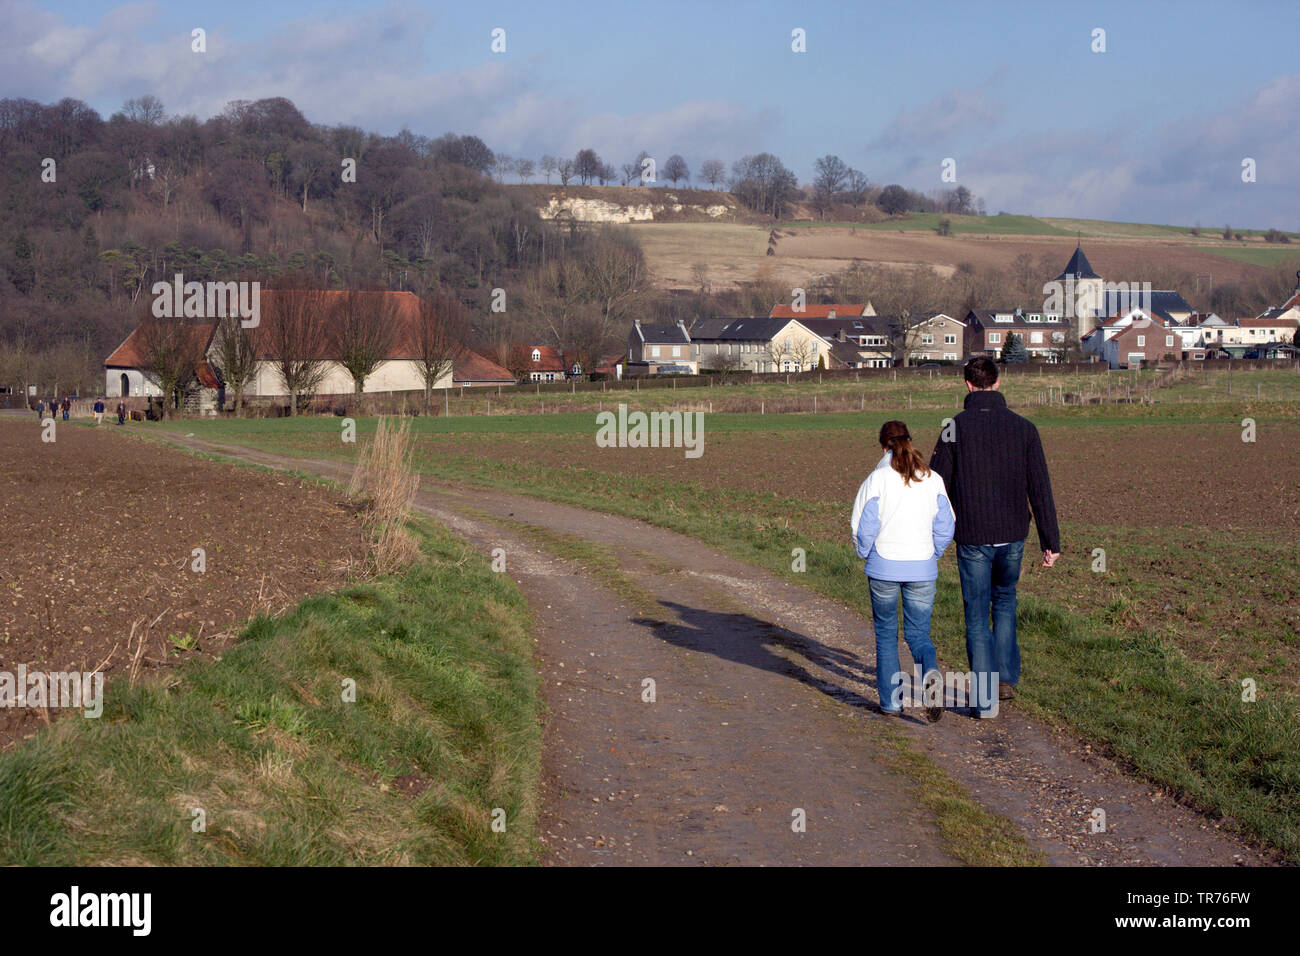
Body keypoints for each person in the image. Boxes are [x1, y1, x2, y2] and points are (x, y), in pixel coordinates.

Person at [929, 356, 1060, 718]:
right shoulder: (1025, 428)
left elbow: (935, 487)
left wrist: (931, 537)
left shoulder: (953, 428)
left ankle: (985, 701)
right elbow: (1041, 489)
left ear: (968, 385)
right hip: (1013, 536)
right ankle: (1004, 680)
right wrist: (1051, 541)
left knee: (975, 613)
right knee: (1005, 602)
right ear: (998, 383)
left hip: (972, 536)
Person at [851, 420, 955, 722]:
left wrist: (866, 554)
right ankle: (930, 673)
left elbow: (864, 526)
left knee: (886, 635)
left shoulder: (877, 479)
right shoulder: (932, 478)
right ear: (909, 440)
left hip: (884, 567)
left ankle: (891, 703)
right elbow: (946, 524)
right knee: (919, 634)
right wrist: (933, 552)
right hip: (922, 567)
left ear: (883, 446)